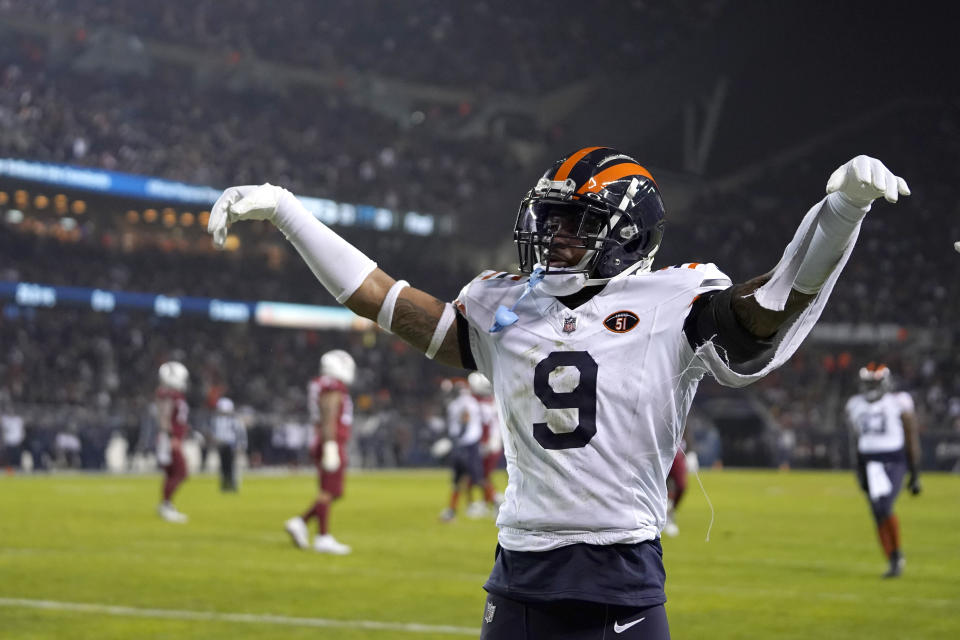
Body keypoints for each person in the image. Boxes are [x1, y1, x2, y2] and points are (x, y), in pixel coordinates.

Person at [210, 150, 909, 638]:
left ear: (626, 231)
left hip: (619, 569)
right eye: (549, 218)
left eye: (575, 223)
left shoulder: (676, 298)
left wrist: (841, 211)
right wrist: (288, 213)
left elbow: (772, 306)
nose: (554, 236)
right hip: (518, 571)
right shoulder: (501, 305)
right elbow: (386, 302)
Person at [844, 363, 921, 578]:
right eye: (868, 383)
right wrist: (858, 469)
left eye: (874, 383)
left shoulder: (899, 402)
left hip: (893, 460)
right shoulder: (855, 405)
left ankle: (896, 557)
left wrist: (915, 473)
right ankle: (893, 558)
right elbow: (856, 441)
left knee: (884, 506)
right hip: (870, 464)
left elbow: (911, 437)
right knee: (877, 512)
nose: (870, 387)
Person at [284, 349, 356, 555]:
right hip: (328, 440)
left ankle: (301, 522)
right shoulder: (333, 386)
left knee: (334, 491)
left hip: (323, 439)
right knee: (327, 492)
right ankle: (322, 537)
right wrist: (331, 444)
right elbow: (329, 411)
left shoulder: (320, 383)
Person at [437, 379, 484, 522]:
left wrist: (456, 439)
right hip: (468, 443)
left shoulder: (462, 403)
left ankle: (490, 503)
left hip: (466, 443)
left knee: (471, 478)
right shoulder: (471, 401)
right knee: (467, 477)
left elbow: (465, 418)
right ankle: (458, 509)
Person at [155, 361, 191, 523]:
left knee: (172, 473)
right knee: (181, 472)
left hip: (171, 438)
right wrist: (171, 437)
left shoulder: (172, 394)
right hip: (170, 439)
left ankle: (166, 505)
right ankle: (166, 505)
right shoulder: (168, 395)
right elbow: (164, 417)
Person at [469, 372, 504, 516]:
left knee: (481, 476)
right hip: (495, 442)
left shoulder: (482, 405)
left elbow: (485, 426)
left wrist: (483, 443)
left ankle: (496, 501)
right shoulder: (494, 401)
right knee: (484, 476)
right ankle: (486, 503)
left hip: (488, 444)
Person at [211, 397, 247, 492]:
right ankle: (225, 485)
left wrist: (241, 445)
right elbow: (214, 433)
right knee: (223, 466)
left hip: (232, 446)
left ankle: (233, 485)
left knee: (232, 466)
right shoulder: (216, 420)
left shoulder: (234, 421)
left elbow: (240, 433)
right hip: (221, 445)